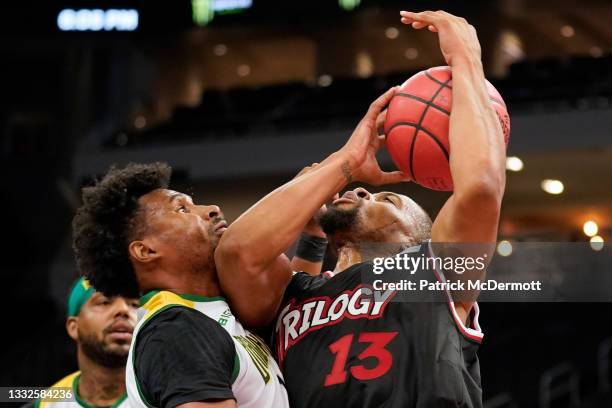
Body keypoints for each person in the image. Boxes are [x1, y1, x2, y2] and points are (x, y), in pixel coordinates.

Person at [215, 10, 506, 408]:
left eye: (388, 199)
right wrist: (346, 162)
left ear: (413, 239)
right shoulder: (292, 291)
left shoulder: (433, 271)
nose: (366, 192)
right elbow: (236, 254)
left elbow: (481, 188)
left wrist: (467, 61)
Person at [71, 163, 290, 408]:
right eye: (182, 208)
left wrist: (314, 240)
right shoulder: (175, 332)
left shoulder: (208, 313)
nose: (212, 209)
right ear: (146, 250)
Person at [32, 277, 137, 408]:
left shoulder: (164, 397)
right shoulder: (47, 404)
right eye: (104, 302)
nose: (123, 310)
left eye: (135, 305)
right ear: (73, 327)